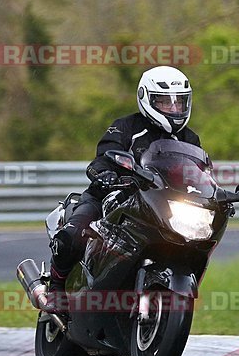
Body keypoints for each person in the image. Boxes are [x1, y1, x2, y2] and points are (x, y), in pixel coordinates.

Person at [48, 65, 201, 294]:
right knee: (71, 236)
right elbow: (103, 158)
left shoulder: (190, 139)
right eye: (164, 102)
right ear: (145, 98)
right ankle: (56, 289)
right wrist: (104, 174)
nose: (173, 107)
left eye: (178, 102)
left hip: (157, 206)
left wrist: (215, 194)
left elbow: (198, 174)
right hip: (109, 198)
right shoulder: (126, 126)